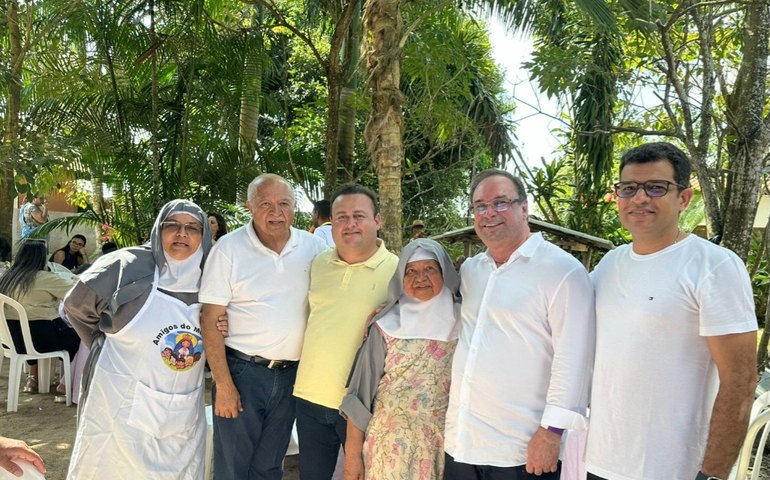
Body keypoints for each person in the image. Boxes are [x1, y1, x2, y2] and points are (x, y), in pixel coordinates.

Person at [585, 142, 758, 480]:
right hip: (601, 461)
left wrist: (712, 474)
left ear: (683, 198)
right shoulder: (608, 265)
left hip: (673, 469)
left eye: (656, 187)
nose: (639, 198)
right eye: (628, 188)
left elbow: (740, 379)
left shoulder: (713, 266)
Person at [443, 169, 595, 480]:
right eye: (480, 206)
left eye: (500, 203)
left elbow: (575, 359)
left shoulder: (562, 271)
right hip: (462, 441)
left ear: (524, 208)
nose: (489, 214)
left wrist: (551, 433)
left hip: (522, 449)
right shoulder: (472, 270)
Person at [65, 199, 212, 479]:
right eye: (173, 226)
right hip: (118, 398)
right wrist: (99, 341)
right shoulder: (125, 266)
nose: (182, 234)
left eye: (193, 228)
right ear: (159, 230)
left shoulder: (214, 276)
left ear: (204, 236)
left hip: (182, 406)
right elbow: (76, 306)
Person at [200, 174, 327, 479]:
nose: (276, 212)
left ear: (295, 208)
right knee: (233, 467)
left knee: (271, 465)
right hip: (243, 374)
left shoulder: (313, 247)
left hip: (292, 376)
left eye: (284, 203)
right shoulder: (228, 249)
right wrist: (224, 386)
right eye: (265, 204)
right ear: (249, 207)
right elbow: (209, 318)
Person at [293, 183, 399, 480]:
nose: (349, 224)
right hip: (310, 397)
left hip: (364, 405)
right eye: (341, 217)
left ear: (377, 221)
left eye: (359, 216)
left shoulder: (399, 274)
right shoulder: (317, 264)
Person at [341, 238, 460, 480]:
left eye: (430, 269)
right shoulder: (386, 325)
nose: (420, 278)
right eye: (411, 271)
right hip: (388, 446)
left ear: (445, 273)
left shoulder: (466, 321)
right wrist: (352, 458)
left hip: (444, 444)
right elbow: (360, 397)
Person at [0, 239, 80, 399]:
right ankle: (66, 384)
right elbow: (76, 294)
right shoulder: (46, 278)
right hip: (44, 340)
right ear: (42, 258)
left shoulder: (7, 278)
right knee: (80, 339)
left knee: (29, 329)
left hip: (12, 341)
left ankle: (32, 379)